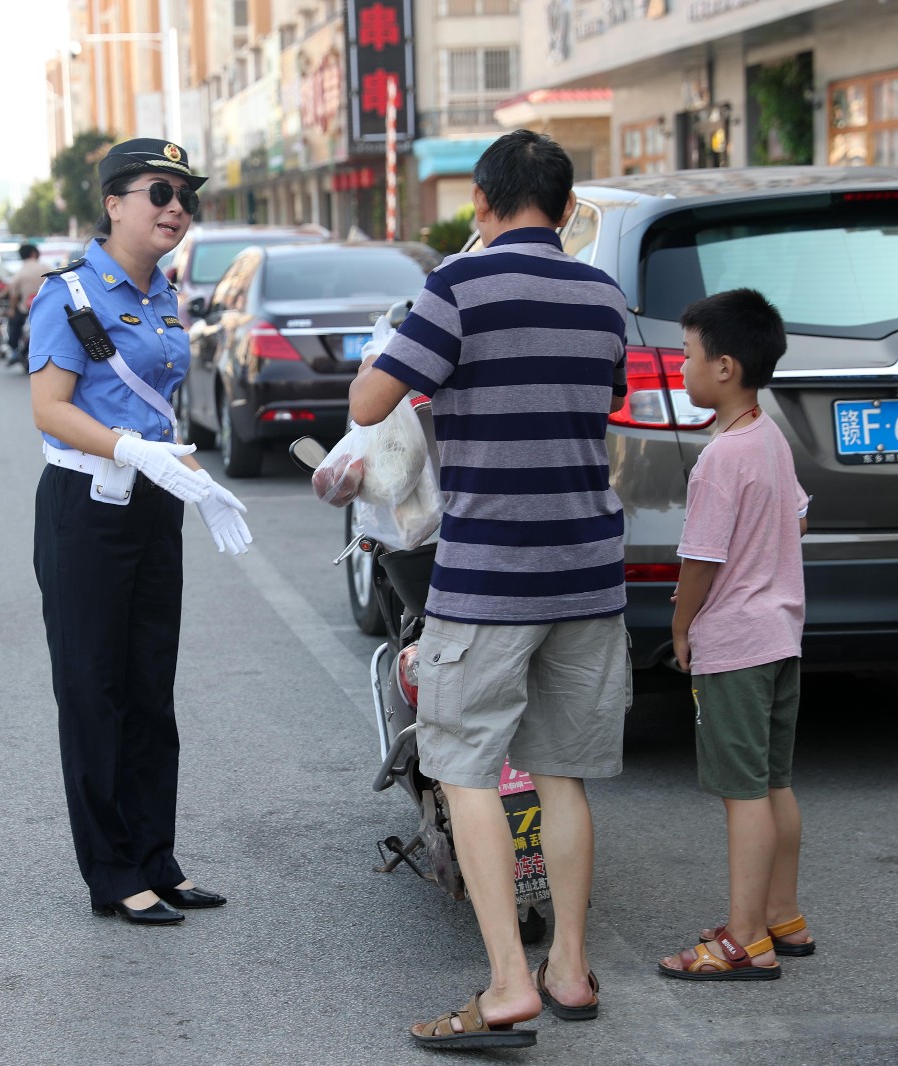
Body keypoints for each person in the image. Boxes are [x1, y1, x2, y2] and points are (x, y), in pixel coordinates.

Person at [348, 129, 631, 1049]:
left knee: (466, 770)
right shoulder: (601, 294)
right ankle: (571, 969)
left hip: (490, 577)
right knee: (564, 778)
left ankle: (509, 983)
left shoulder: (457, 288)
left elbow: (367, 406)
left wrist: (393, 342)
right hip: (590, 570)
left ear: (483, 200)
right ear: (563, 204)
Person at [27, 137, 251, 927]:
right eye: (159, 193)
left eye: (185, 197)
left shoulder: (163, 296)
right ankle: (114, 871)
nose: (176, 209)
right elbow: (51, 409)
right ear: (113, 202)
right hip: (87, 509)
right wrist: (131, 450)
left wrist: (185, 472)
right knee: (95, 692)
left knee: (152, 690)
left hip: (153, 505)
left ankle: (158, 858)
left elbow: (155, 405)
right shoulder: (70, 295)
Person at [657, 289, 812, 981]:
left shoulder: (721, 458)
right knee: (775, 782)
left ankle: (744, 938)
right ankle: (783, 915)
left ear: (724, 367)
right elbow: (798, 520)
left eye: (687, 356)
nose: (681, 367)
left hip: (736, 643)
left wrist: (682, 623)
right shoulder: (769, 435)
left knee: (741, 792)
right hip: (780, 634)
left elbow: (701, 560)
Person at [6, 243, 50, 367]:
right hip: (45, 308)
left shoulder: (20, 272)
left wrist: (12, 309)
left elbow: (13, 294)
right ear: (34, 253)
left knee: (14, 325)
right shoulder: (45, 267)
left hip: (25, 309)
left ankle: (14, 351)